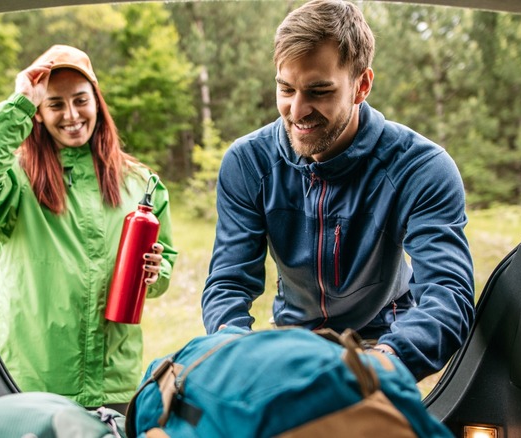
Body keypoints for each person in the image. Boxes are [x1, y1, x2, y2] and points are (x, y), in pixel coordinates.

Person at [201, 0, 474, 381]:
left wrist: (380, 364)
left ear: (361, 85)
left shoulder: (421, 167)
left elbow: (448, 294)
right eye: (286, 89)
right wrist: (235, 350)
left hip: (386, 339)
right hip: (294, 340)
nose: (297, 111)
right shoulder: (248, 162)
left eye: (318, 91)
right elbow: (229, 281)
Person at [0, 44, 177, 411]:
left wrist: (154, 271)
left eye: (80, 100)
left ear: (97, 102)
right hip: (34, 381)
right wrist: (19, 103)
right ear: (38, 113)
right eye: (54, 104)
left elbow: (163, 266)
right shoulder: (16, 180)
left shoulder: (140, 182)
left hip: (115, 382)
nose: (71, 115)